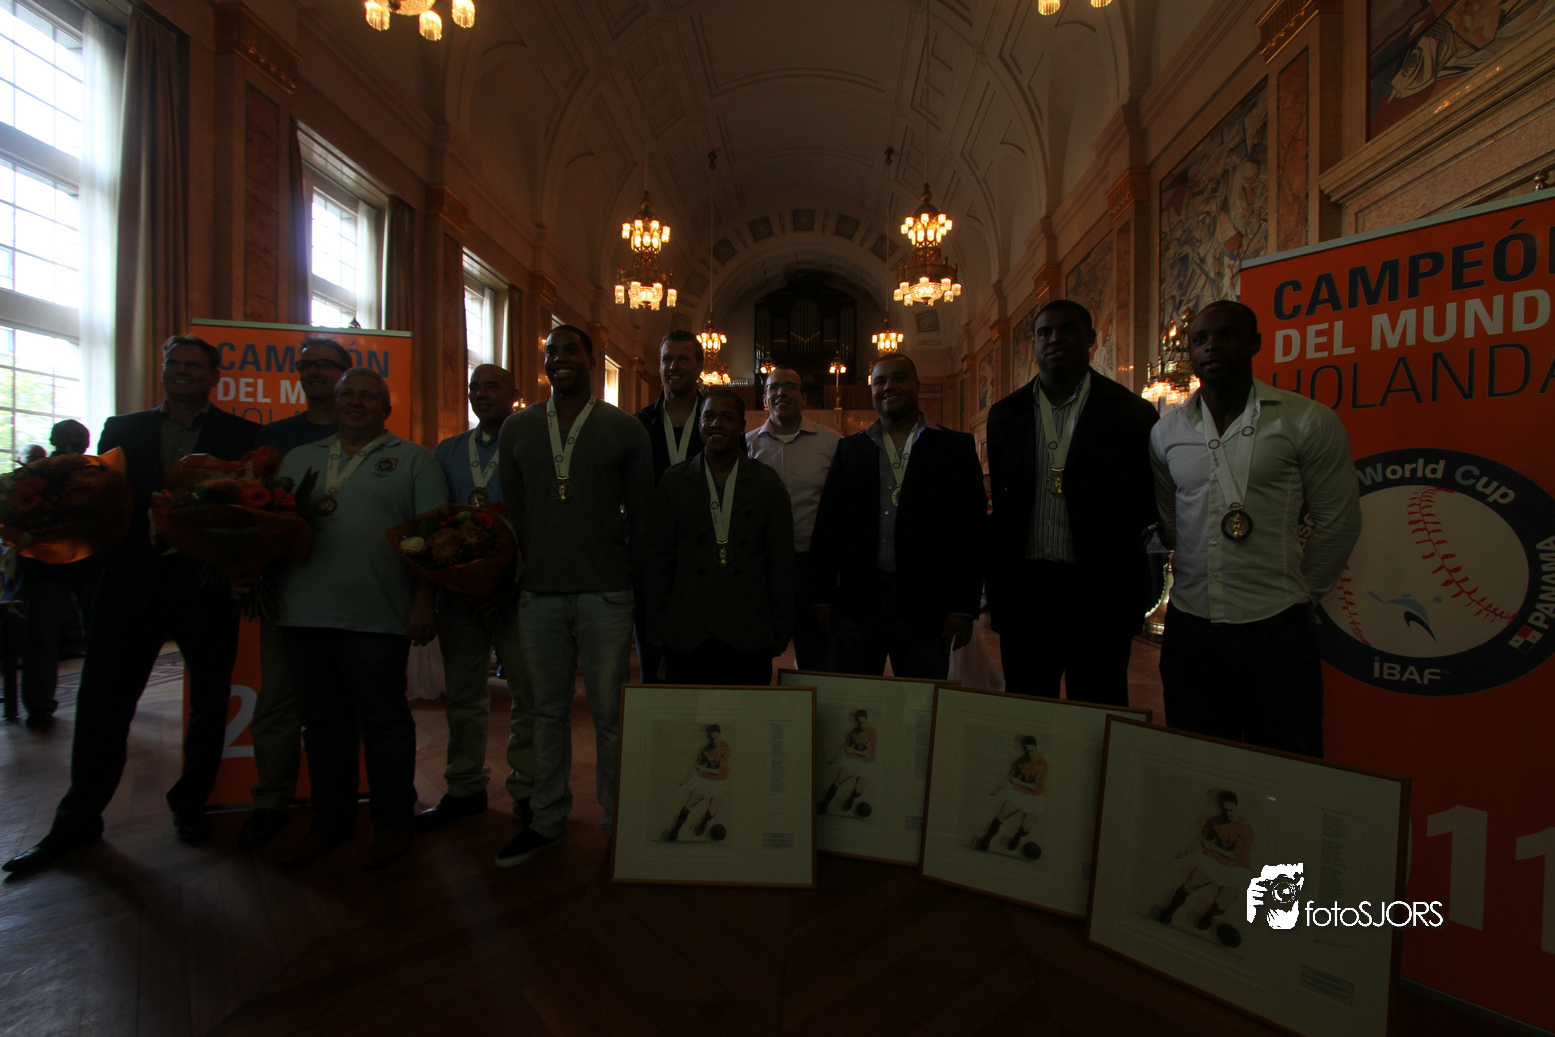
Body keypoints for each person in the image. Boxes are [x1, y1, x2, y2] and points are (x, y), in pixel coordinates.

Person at [4, 336, 261, 874]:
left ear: (213, 375)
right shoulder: (122, 428)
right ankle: (78, 819)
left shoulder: (241, 435)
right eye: (174, 363)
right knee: (102, 706)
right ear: (163, 369)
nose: (183, 371)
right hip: (127, 587)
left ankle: (191, 805)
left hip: (203, 588)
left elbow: (248, 515)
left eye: (194, 365)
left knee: (210, 706)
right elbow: (100, 504)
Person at [1150, 301, 1362, 757]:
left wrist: (1301, 594)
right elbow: (1171, 517)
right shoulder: (1166, 432)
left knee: (1286, 764)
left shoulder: (1306, 420)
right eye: (1200, 340)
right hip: (1192, 626)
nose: (1212, 346)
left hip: (1276, 629)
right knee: (1198, 759)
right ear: (1190, 352)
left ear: (1254, 343)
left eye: (1227, 335)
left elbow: (1338, 520)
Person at [271, 367, 446, 871]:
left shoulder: (414, 460)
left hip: (379, 616)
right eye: (347, 393)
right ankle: (330, 822)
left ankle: (393, 823)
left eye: (368, 396)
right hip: (305, 615)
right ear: (334, 401)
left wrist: (424, 602)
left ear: (386, 409)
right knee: (323, 725)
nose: (356, 402)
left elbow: (434, 538)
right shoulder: (299, 458)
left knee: (385, 724)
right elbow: (271, 528)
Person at [495, 325, 653, 866]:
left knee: (609, 714)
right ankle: (546, 819)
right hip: (539, 593)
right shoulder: (517, 429)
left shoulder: (624, 429)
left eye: (569, 350)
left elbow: (643, 514)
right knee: (545, 711)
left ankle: (617, 821)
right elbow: (513, 514)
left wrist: (631, 580)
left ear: (590, 359)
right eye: (550, 351)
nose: (558, 358)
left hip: (606, 593)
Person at [986, 300, 1159, 705]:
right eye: (1044, 332)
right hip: (1026, 593)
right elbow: (1005, 509)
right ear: (1033, 344)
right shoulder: (1005, 415)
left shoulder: (1131, 413)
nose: (1055, 339)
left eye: (1067, 329)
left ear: (1091, 340)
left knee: (1098, 706)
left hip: (1100, 591)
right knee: (1028, 708)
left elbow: (1144, 498)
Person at [240, 335, 352, 851]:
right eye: (308, 365)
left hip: (351, 590)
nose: (316, 372)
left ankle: (339, 802)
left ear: (345, 373)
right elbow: (249, 508)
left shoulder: (367, 435)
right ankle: (271, 800)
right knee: (278, 700)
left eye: (327, 364)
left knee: (341, 704)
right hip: (286, 589)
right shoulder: (275, 437)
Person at [810, 354, 984, 680]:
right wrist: (820, 597)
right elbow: (828, 527)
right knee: (854, 698)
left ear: (917, 384)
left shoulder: (954, 448)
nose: (889, 386)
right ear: (872, 390)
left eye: (899, 377)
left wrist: (962, 607)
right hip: (857, 606)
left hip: (925, 606)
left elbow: (969, 532)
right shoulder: (850, 450)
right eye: (880, 381)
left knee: (921, 700)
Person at [414, 363, 533, 834]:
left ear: (513, 394)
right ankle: (464, 787)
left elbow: (539, 520)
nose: (481, 394)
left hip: (516, 596)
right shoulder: (446, 451)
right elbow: (432, 522)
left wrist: (509, 582)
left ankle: (527, 788)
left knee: (527, 696)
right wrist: (445, 585)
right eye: (474, 387)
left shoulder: (529, 446)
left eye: (492, 386)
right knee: (464, 697)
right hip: (458, 599)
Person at [644, 387, 795, 686]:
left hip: (749, 629)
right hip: (688, 630)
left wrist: (781, 627)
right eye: (709, 417)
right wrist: (656, 625)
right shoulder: (674, 481)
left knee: (745, 713)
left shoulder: (767, 483)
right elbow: (658, 560)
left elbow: (781, 563)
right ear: (699, 424)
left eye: (727, 417)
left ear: (742, 426)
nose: (716, 424)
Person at [746, 366, 841, 671]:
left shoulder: (832, 443)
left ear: (804, 397)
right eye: (774, 387)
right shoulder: (746, 446)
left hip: (813, 568)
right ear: (765, 398)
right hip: (762, 570)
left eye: (790, 386)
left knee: (817, 661)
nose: (781, 392)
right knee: (755, 658)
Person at [633, 328, 707, 683]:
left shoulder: (717, 419)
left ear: (699, 366)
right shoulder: (638, 425)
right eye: (667, 359)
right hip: (652, 560)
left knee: (701, 667)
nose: (673, 366)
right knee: (653, 668)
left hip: (705, 558)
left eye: (682, 358)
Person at [17, 420, 101, 729]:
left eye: (78, 436)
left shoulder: (98, 474)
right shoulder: (36, 474)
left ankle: (98, 698)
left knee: (96, 633)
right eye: (67, 436)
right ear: (53, 439)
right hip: (46, 567)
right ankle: (39, 706)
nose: (72, 441)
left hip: (87, 564)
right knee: (42, 636)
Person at [1157, 790, 1254, 932]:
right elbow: (1201, 840)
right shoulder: (1213, 822)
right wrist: (1183, 853)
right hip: (1216, 862)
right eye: (1224, 810)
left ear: (1237, 808)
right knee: (1188, 885)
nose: (1228, 814)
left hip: (1237, 869)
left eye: (1231, 810)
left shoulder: (1245, 829)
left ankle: (1209, 915)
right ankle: (1169, 912)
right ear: (1219, 808)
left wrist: (1211, 847)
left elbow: (1235, 856)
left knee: (1221, 905)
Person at [974, 735, 1046, 854]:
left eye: (1032, 751)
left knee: (1026, 827)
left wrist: (1018, 782)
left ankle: (1018, 836)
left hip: (1036, 797)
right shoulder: (1019, 762)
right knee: (1001, 815)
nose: (1029, 754)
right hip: (1021, 794)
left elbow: (1035, 786)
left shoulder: (1042, 764)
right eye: (1026, 751)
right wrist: (997, 790)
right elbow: (1009, 777)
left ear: (1036, 748)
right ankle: (987, 840)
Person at [664, 724, 730, 841]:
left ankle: (704, 822)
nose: (714, 741)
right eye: (712, 738)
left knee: (712, 811)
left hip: (720, 783)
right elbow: (696, 766)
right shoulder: (705, 749)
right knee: (688, 804)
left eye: (716, 738)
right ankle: (675, 831)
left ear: (720, 735)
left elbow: (720, 771)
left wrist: (703, 769)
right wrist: (685, 780)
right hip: (706, 781)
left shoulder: (726, 749)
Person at [816, 708, 875, 816]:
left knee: (858, 790)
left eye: (863, 722)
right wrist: (834, 759)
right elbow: (844, 748)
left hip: (867, 763)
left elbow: (867, 754)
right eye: (859, 722)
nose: (862, 725)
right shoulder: (853, 733)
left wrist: (852, 750)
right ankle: (824, 805)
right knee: (838, 781)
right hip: (854, 761)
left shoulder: (872, 732)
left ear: (867, 720)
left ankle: (851, 798)